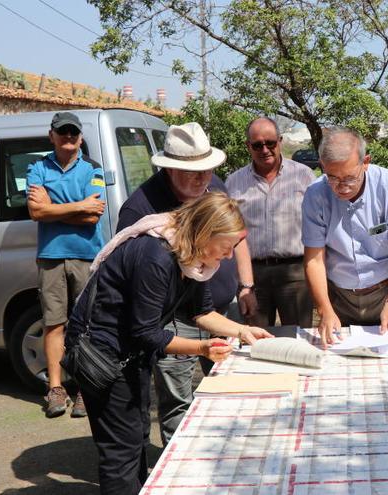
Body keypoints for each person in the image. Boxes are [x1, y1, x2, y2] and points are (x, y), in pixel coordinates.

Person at [67, 192, 272, 495]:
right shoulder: (157, 256)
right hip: (102, 353)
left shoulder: (195, 258)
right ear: (206, 233)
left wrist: (243, 331)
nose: (229, 256)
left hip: (128, 354)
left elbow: (201, 312)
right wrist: (203, 348)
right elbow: (147, 333)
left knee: (135, 434)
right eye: (226, 247)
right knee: (120, 450)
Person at [117, 122, 258, 446]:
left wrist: (245, 286)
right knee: (178, 406)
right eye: (194, 172)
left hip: (215, 311)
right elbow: (140, 309)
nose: (203, 179)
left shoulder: (212, 187)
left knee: (227, 395)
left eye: (207, 171)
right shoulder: (140, 210)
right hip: (173, 324)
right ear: (170, 169)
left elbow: (237, 238)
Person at [302, 127, 388, 347]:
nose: (342, 188)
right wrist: (325, 309)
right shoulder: (315, 194)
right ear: (323, 167)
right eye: (332, 178)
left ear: (366, 162)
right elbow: (314, 259)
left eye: (349, 178)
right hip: (339, 296)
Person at [27, 111, 106, 418]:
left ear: (81, 137)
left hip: (86, 255)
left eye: (74, 132)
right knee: (54, 324)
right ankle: (56, 390)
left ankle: (86, 389)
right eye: (63, 132)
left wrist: (52, 208)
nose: (69, 137)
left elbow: (93, 216)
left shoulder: (92, 168)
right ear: (52, 136)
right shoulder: (36, 167)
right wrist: (78, 206)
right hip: (50, 257)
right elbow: (35, 212)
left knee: (85, 325)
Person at [226, 117, 315, 328]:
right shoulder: (234, 182)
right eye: (257, 145)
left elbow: (320, 226)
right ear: (248, 146)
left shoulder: (304, 176)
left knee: (298, 340)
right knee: (255, 343)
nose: (264, 149)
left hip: (295, 273)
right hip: (253, 276)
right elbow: (230, 232)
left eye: (270, 143)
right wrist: (243, 284)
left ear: (280, 141)